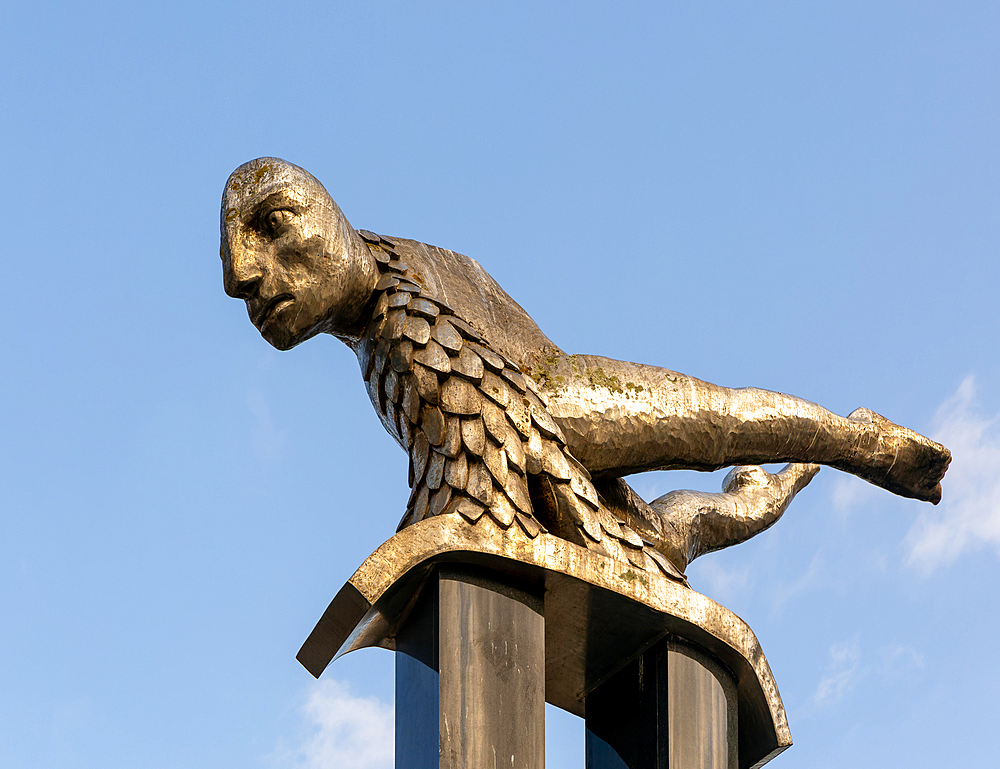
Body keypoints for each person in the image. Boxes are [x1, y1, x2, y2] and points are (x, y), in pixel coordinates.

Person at [221, 158, 950, 574]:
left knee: (718, 420)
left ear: (332, 218)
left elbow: (491, 336)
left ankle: (864, 443)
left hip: (550, 400)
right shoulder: (373, 355)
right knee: (685, 530)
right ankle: (774, 483)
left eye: (272, 226)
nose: (240, 275)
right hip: (564, 489)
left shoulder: (399, 275)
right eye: (233, 251)